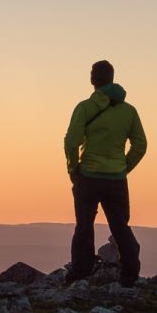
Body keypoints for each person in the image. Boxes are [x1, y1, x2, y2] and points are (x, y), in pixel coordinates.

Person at [64, 60, 147, 287]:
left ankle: (81, 273)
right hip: (116, 180)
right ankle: (130, 275)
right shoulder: (129, 111)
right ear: (111, 79)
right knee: (120, 226)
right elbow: (140, 145)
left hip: (88, 177)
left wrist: (73, 169)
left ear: (93, 80)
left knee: (84, 225)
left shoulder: (84, 108)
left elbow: (72, 141)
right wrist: (123, 167)